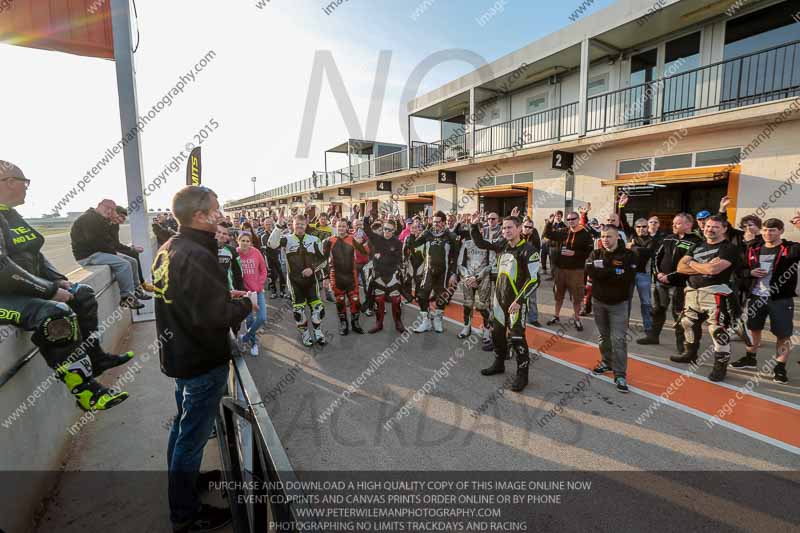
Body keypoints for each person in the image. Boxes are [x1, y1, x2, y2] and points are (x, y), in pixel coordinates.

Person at [153, 185, 253, 532]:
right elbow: (213, 317)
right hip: (200, 362)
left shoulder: (169, 248)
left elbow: (190, 298)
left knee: (183, 429)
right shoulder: (196, 253)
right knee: (191, 436)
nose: (220, 213)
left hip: (181, 357)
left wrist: (222, 293)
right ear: (198, 215)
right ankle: (185, 514)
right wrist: (245, 304)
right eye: (215, 208)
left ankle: (185, 483)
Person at [0, 160, 132, 412]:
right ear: (7, 182)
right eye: (24, 182)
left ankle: (95, 357)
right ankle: (86, 392)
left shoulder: (9, 213)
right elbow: (2, 270)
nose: (27, 188)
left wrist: (58, 279)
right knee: (53, 314)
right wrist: (49, 291)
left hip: (19, 289)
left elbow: (33, 253)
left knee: (82, 294)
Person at [470, 212, 540, 392]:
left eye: (509, 227)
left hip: (516, 302)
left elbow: (534, 280)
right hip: (499, 300)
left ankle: (522, 375)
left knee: (517, 338)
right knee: (497, 335)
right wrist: (473, 226)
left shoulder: (529, 251)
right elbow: (481, 244)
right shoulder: (502, 245)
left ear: (518, 229)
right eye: (503, 228)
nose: (506, 231)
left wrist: (520, 300)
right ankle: (499, 363)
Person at [732, 216, 800, 383]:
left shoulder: (791, 248)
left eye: (772, 230)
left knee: (782, 335)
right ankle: (750, 358)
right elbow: (739, 269)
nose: (768, 233)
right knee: (753, 329)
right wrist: (750, 273)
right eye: (765, 230)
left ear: (781, 231)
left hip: (780, 299)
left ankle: (780, 368)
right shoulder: (754, 248)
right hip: (756, 296)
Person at [676, 215, 740, 382]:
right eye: (708, 226)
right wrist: (703, 267)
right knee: (687, 323)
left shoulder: (729, 248)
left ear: (725, 229)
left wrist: (693, 264)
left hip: (715, 292)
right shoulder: (697, 245)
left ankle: (720, 367)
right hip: (692, 292)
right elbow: (680, 267)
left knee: (717, 330)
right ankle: (690, 353)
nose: (709, 229)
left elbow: (713, 270)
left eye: (715, 227)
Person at [637, 213, 702, 350]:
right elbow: (656, 257)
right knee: (658, 309)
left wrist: (670, 276)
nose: (673, 225)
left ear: (688, 225)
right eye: (673, 223)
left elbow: (691, 264)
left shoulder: (696, 242)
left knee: (679, 314)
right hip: (662, 282)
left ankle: (681, 347)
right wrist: (658, 273)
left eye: (677, 223)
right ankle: (653, 336)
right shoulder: (668, 238)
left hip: (681, 285)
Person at [587, 226, 638, 393]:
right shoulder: (596, 253)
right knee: (603, 337)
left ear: (617, 237)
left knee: (618, 340)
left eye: (609, 236)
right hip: (598, 302)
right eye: (603, 236)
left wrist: (603, 271)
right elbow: (590, 271)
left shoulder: (628, 255)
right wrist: (612, 272)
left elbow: (626, 278)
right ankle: (606, 362)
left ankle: (620, 374)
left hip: (619, 305)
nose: (605, 239)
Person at [70, 199, 145, 309]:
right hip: (88, 256)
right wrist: (114, 253)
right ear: (99, 205)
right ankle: (127, 298)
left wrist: (114, 252)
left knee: (132, 261)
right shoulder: (89, 218)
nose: (109, 211)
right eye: (107, 207)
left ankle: (136, 291)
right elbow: (96, 242)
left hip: (98, 252)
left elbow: (108, 242)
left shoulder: (99, 219)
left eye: (112, 209)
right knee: (124, 264)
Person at [268, 213, 327, 347]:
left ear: (306, 225)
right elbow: (271, 244)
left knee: (317, 308)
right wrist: (278, 226)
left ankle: (318, 333)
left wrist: (312, 269)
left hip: (312, 281)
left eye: (302, 224)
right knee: (299, 311)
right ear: (293, 225)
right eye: (297, 224)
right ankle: (305, 333)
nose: (300, 226)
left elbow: (323, 260)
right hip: (295, 281)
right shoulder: (286, 239)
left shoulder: (314, 239)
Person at [404, 210, 459, 334]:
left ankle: (438, 320)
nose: (436, 224)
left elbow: (456, 257)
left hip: (443, 273)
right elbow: (414, 245)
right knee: (421, 295)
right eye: (434, 222)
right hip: (428, 270)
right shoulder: (427, 233)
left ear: (444, 223)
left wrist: (454, 273)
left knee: (442, 297)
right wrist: (412, 234)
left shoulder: (451, 236)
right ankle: (426, 321)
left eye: (439, 222)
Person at [543, 210, 594, 331]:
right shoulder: (563, 231)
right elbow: (547, 234)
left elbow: (589, 252)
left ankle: (577, 318)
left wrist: (574, 253)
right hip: (560, 270)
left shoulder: (585, 234)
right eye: (569, 219)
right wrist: (550, 222)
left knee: (577, 297)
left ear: (578, 219)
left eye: (573, 219)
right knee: (558, 295)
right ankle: (556, 316)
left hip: (576, 271)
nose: (571, 221)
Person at [360, 215, 406, 333]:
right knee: (379, 299)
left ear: (394, 231)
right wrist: (366, 217)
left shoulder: (397, 243)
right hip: (379, 274)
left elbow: (398, 259)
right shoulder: (377, 239)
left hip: (392, 275)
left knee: (396, 300)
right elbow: (367, 230)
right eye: (385, 228)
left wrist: (382, 257)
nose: (386, 231)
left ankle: (398, 323)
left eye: (389, 230)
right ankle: (378, 324)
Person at [323, 219, 366, 335]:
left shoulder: (353, 239)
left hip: (351, 276)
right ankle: (344, 324)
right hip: (336, 276)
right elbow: (324, 261)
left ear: (347, 227)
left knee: (355, 300)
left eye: (343, 226)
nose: (341, 229)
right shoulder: (329, 241)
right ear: (335, 227)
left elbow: (365, 252)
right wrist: (325, 277)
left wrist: (362, 241)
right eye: (339, 226)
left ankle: (355, 323)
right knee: (340, 301)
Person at [454, 213, 492, 338]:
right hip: (468, 278)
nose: (477, 231)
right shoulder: (466, 244)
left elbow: (492, 264)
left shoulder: (488, 243)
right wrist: (468, 276)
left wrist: (478, 277)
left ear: (482, 230)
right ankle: (466, 327)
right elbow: (460, 263)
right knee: (467, 304)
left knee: (483, 306)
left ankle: (487, 329)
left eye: (480, 229)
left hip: (483, 279)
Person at [110, 206, 154, 298]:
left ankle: (140, 285)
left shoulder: (115, 225)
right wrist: (131, 249)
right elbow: (115, 245)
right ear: (115, 214)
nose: (123, 219)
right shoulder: (109, 224)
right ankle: (141, 285)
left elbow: (116, 244)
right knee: (132, 254)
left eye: (124, 217)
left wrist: (131, 249)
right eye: (121, 216)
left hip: (111, 249)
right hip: (106, 251)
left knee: (133, 255)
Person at [237, 232, 268, 357]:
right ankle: (254, 343)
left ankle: (244, 338)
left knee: (262, 317)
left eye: (247, 241)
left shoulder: (256, 252)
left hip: (257, 291)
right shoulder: (235, 253)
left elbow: (263, 269)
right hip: (245, 293)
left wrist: (260, 285)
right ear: (238, 241)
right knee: (249, 319)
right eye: (242, 240)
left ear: (250, 242)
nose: (245, 243)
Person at [627, 218, 658, 336]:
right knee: (626, 301)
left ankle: (648, 326)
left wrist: (632, 247)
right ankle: (624, 324)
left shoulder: (652, 240)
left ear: (648, 228)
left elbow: (647, 252)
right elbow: (623, 221)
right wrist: (621, 206)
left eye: (644, 226)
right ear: (635, 228)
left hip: (643, 275)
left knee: (646, 302)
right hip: (629, 274)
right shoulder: (631, 236)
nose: (641, 229)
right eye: (638, 227)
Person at [521, 217, 542, 326]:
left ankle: (533, 318)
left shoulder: (535, 239)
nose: (528, 229)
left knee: (532, 297)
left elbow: (537, 255)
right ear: (521, 227)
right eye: (526, 226)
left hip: (530, 272)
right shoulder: (517, 237)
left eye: (530, 227)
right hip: (518, 272)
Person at [260, 217, 286, 299]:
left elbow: (280, 244)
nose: (268, 226)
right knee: (271, 276)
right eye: (267, 224)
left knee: (281, 274)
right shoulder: (262, 235)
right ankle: (273, 292)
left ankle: (282, 291)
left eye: (270, 224)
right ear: (264, 225)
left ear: (273, 224)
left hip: (277, 256)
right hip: (268, 257)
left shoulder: (278, 233)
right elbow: (269, 246)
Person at [215, 224, 244, 291]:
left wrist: (240, 290)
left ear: (228, 237)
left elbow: (239, 273)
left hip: (228, 290)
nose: (221, 235)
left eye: (224, 234)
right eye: (218, 232)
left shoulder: (232, 250)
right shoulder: (204, 249)